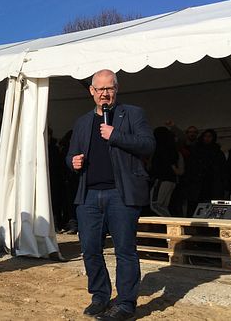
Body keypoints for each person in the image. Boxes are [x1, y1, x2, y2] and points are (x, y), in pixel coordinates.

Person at [66, 69, 155, 320]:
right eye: (100, 89)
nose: (105, 93)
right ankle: (100, 296)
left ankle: (126, 303)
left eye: (109, 88)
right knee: (90, 248)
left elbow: (148, 145)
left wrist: (115, 135)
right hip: (89, 195)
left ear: (117, 89)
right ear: (92, 91)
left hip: (121, 194)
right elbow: (69, 154)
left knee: (125, 250)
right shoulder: (82, 122)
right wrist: (72, 162)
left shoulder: (133, 114)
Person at [149, 127, 184, 217]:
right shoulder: (173, 148)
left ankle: (170, 222)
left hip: (162, 179)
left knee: (155, 204)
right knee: (163, 206)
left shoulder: (160, 149)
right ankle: (169, 223)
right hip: (171, 180)